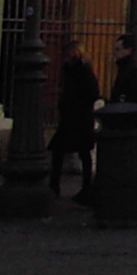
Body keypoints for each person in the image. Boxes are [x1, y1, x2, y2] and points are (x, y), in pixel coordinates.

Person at [50, 43, 101, 201]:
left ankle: (85, 187)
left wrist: (75, 102)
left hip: (80, 117)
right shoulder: (69, 69)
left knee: (83, 153)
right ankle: (54, 186)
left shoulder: (83, 70)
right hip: (71, 117)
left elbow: (93, 93)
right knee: (60, 151)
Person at [110, 33, 137, 107]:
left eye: (118, 49)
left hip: (127, 111)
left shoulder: (132, 70)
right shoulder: (125, 67)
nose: (114, 53)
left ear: (128, 50)